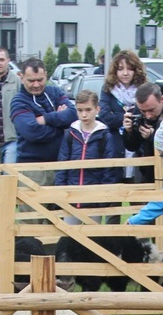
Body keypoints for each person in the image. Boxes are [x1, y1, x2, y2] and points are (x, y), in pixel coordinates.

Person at [11, 57, 76, 222]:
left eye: (40, 79)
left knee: (59, 220)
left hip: (61, 167)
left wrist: (45, 119)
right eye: (31, 80)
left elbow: (74, 114)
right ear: (21, 77)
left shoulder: (55, 92)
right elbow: (32, 131)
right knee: (32, 221)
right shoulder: (18, 102)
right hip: (33, 169)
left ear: (46, 75)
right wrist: (61, 125)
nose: (36, 84)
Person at [55, 90, 121, 225]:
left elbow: (108, 171)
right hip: (71, 199)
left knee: (92, 241)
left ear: (97, 109)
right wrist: (61, 194)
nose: (84, 114)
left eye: (88, 110)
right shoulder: (70, 135)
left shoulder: (104, 136)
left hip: (93, 200)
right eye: (80, 110)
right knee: (69, 239)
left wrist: (101, 201)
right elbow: (61, 166)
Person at [99, 50, 148, 184]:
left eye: (130, 69)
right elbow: (104, 116)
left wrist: (118, 116)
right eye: (120, 69)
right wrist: (125, 119)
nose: (125, 73)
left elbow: (148, 115)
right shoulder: (108, 89)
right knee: (114, 196)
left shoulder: (144, 89)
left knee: (138, 196)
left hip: (139, 149)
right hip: (115, 148)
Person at [121, 82, 163, 183]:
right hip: (147, 170)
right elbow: (132, 146)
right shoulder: (140, 108)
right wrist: (129, 132)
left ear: (162, 99)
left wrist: (153, 136)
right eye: (143, 111)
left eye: (151, 110)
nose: (148, 116)